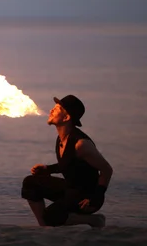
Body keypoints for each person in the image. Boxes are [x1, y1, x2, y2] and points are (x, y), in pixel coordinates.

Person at [21, 95, 113, 227]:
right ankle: (44, 228)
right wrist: (48, 169)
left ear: (66, 118)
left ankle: (93, 220)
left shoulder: (81, 144)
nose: (51, 110)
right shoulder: (61, 138)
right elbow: (70, 164)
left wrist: (96, 196)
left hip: (87, 197)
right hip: (71, 189)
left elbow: (106, 170)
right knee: (30, 182)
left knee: (51, 215)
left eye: (57, 108)